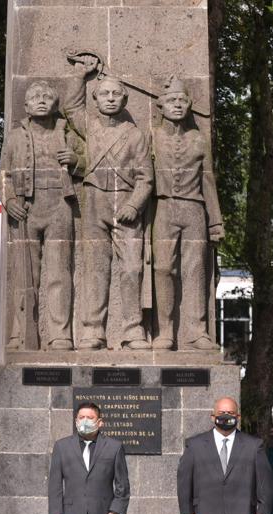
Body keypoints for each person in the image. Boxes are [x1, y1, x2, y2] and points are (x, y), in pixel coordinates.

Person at [64, 56, 155, 350]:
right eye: (105, 93)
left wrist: (135, 204)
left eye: (117, 94)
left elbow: (146, 177)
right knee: (95, 268)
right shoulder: (90, 126)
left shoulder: (135, 135)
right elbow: (71, 108)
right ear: (96, 98)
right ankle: (93, 331)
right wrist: (80, 74)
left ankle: (133, 329)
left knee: (131, 268)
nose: (111, 98)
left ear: (125, 99)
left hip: (126, 204)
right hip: (95, 202)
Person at [0, 80, 83, 351]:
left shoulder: (67, 132)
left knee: (59, 272)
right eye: (35, 96)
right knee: (24, 274)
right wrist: (8, 199)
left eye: (47, 96)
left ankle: (60, 334)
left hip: (59, 204)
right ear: (26, 106)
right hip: (26, 208)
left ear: (56, 104)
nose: (42, 100)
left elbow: (88, 164)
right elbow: (2, 175)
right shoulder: (15, 137)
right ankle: (21, 333)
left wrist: (77, 161)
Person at [150, 75, 222, 351]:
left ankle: (197, 331)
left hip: (194, 209)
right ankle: (165, 331)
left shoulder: (198, 139)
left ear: (190, 105)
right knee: (163, 268)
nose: (177, 105)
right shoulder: (152, 136)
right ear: (162, 106)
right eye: (171, 101)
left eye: (182, 101)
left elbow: (208, 181)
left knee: (195, 270)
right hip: (164, 207)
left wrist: (215, 221)